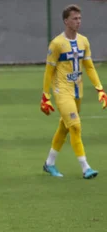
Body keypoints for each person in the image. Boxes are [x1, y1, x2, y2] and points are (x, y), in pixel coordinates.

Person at [41, 4, 105, 179]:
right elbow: (49, 71)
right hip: (62, 92)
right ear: (66, 21)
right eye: (75, 18)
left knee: (65, 127)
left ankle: (49, 163)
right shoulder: (56, 44)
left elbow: (89, 67)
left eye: (80, 18)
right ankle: (86, 168)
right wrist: (45, 95)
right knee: (75, 126)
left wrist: (100, 88)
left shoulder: (83, 41)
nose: (78, 21)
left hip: (78, 92)